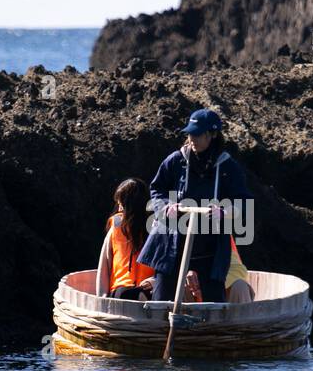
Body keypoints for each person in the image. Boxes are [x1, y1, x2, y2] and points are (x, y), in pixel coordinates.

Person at [138, 108, 253, 306]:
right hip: (173, 245)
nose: (192, 139)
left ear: (213, 134)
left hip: (210, 249)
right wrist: (165, 207)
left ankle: (212, 335)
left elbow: (242, 201)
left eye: (198, 134)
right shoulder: (176, 161)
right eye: (190, 133)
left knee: (214, 304)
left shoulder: (228, 167)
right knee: (162, 301)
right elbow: (157, 189)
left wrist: (224, 212)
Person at [96, 178, 156, 300]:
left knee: (146, 294)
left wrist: (153, 281)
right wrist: (101, 298)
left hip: (149, 289)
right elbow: (104, 267)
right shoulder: (116, 227)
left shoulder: (156, 229)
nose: (119, 209)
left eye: (121, 204)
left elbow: (165, 267)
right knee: (127, 294)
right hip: (121, 290)